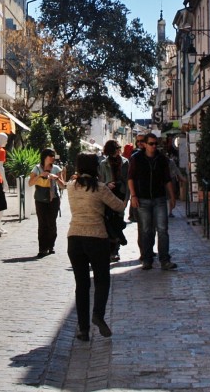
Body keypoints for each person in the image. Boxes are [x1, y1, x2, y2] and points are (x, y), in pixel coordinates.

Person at [66, 153, 127, 341]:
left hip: (74, 238)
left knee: (81, 285)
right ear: (96, 168)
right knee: (102, 280)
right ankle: (98, 314)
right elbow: (119, 206)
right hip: (97, 238)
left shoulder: (71, 186)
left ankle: (83, 330)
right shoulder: (100, 188)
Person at [128, 132, 178, 270]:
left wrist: (172, 196)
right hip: (143, 199)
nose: (154, 146)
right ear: (144, 144)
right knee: (146, 230)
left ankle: (165, 260)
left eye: (156, 144)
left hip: (159, 198)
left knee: (162, 229)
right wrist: (133, 196)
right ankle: (147, 258)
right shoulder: (136, 158)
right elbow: (130, 178)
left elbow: (167, 179)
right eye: (151, 144)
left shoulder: (161, 159)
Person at [28, 148, 65, 258]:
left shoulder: (56, 169)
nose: (53, 158)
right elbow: (30, 183)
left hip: (53, 199)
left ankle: (51, 245)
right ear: (45, 157)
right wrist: (40, 175)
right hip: (40, 199)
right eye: (51, 155)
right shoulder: (36, 168)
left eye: (54, 156)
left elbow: (63, 186)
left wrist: (56, 178)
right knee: (42, 223)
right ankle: (42, 248)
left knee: (51, 223)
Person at [99, 140, 129, 262]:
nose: (117, 151)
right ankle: (113, 248)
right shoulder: (103, 163)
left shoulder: (125, 162)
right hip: (108, 194)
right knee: (109, 221)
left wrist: (127, 198)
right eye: (115, 149)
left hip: (120, 194)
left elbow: (128, 182)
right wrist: (107, 185)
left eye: (118, 148)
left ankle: (116, 248)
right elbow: (101, 181)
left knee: (118, 220)